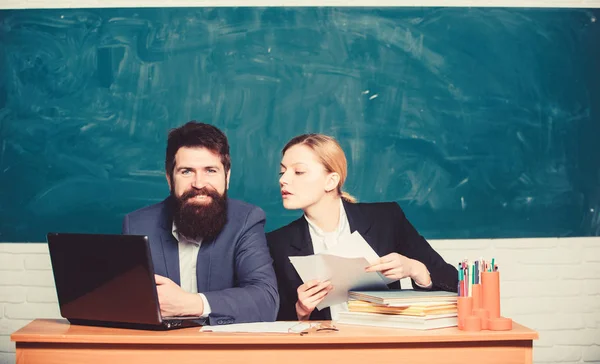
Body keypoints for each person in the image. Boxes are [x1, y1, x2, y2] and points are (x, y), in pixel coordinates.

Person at [267, 134, 458, 321]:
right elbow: (271, 318)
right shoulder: (278, 243)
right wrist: (301, 311)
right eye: (282, 172)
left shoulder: (386, 219)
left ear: (331, 181)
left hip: (383, 344)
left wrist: (415, 269)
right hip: (323, 348)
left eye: (298, 171)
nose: (283, 180)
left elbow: (453, 282)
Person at [123, 121, 279, 325]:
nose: (199, 184)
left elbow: (265, 300)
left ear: (227, 176)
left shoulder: (247, 220)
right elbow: (127, 304)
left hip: (222, 353)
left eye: (210, 171)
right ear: (170, 179)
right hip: (161, 352)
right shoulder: (137, 225)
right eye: (186, 171)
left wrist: (191, 304)